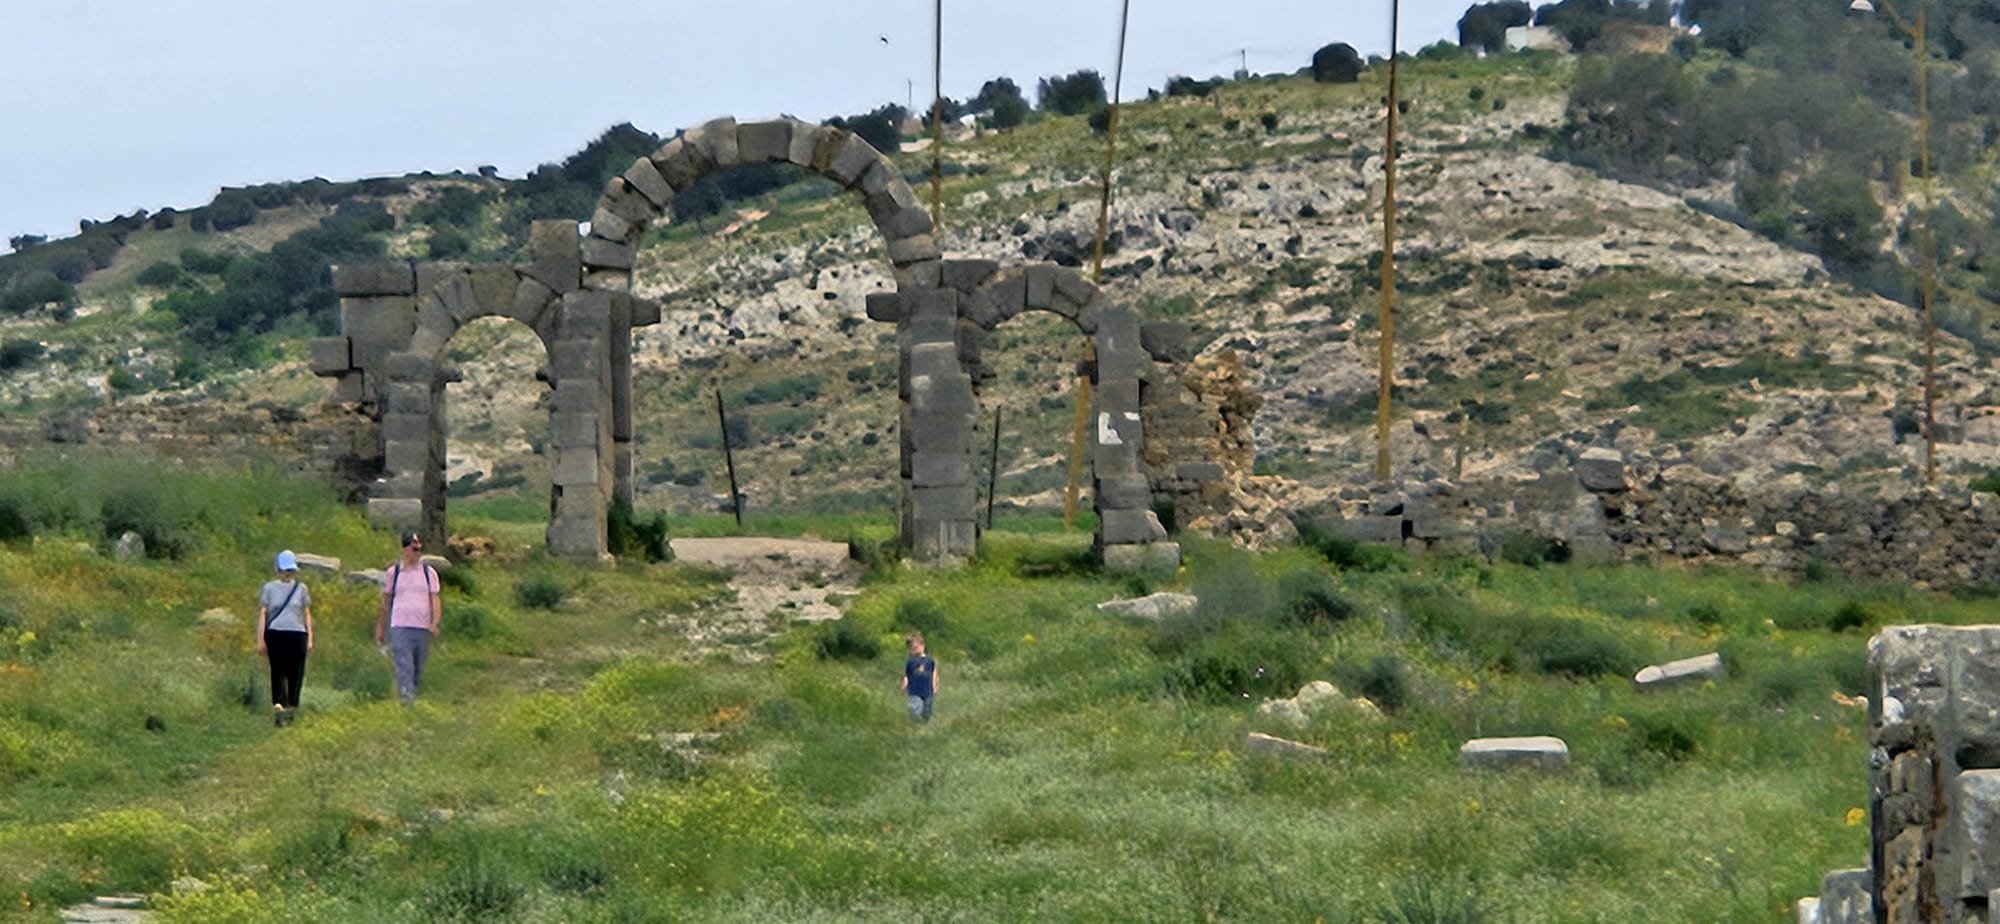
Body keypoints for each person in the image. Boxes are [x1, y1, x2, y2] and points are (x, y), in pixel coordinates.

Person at [375, 531, 441, 705]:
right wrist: (380, 628)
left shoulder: (429, 573)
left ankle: (412, 692)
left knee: (418, 666)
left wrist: (434, 622)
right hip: (400, 625)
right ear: (405, 549)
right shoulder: (394, 573)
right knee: (404, 663)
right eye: (414, 548)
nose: (417, 552)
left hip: (422, 626)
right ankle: (407, 699)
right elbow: (385, 602)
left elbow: (434, 599)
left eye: (419, 548)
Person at [256, 550, 313, 727]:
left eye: (290, 570)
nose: (287, 574)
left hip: (297, 634)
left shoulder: (301, 589)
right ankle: (279, 707)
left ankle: (292, 707)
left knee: (295, 673)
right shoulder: (269, 588)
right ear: (278, 570)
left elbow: (306, 613)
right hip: (276, 633)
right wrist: (260, 638)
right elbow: (264, 614)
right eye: (285, 570)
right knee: (278, 671)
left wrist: (310, 637)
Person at [901, 632, 937, 723]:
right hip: (914, 691)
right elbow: (907, 674)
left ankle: (923, 725)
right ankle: (915, 721)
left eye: (916, 648)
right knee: (916, 707)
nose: (914, 651)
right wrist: (904, 684)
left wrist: (935, 685)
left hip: (928, 690)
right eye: (911, 649)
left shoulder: (929, 660)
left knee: (927, 711)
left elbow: (934, 672)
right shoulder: (910, 662)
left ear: (922, 646)